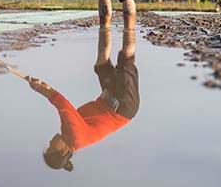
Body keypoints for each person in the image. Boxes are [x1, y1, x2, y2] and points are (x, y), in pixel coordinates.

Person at [28, 29, 139, 171]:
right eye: (51, 147)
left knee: (101, 65)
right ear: (62, 151)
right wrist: (40, 89)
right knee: (125, 60)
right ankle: (129, 20)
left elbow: (62, 109)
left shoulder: (66, 132)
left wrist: (45, 87)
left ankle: (105, 23)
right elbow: (63, 105)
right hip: (124, 107)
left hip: (107, 100)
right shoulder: (76, 138)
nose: (49, 142)